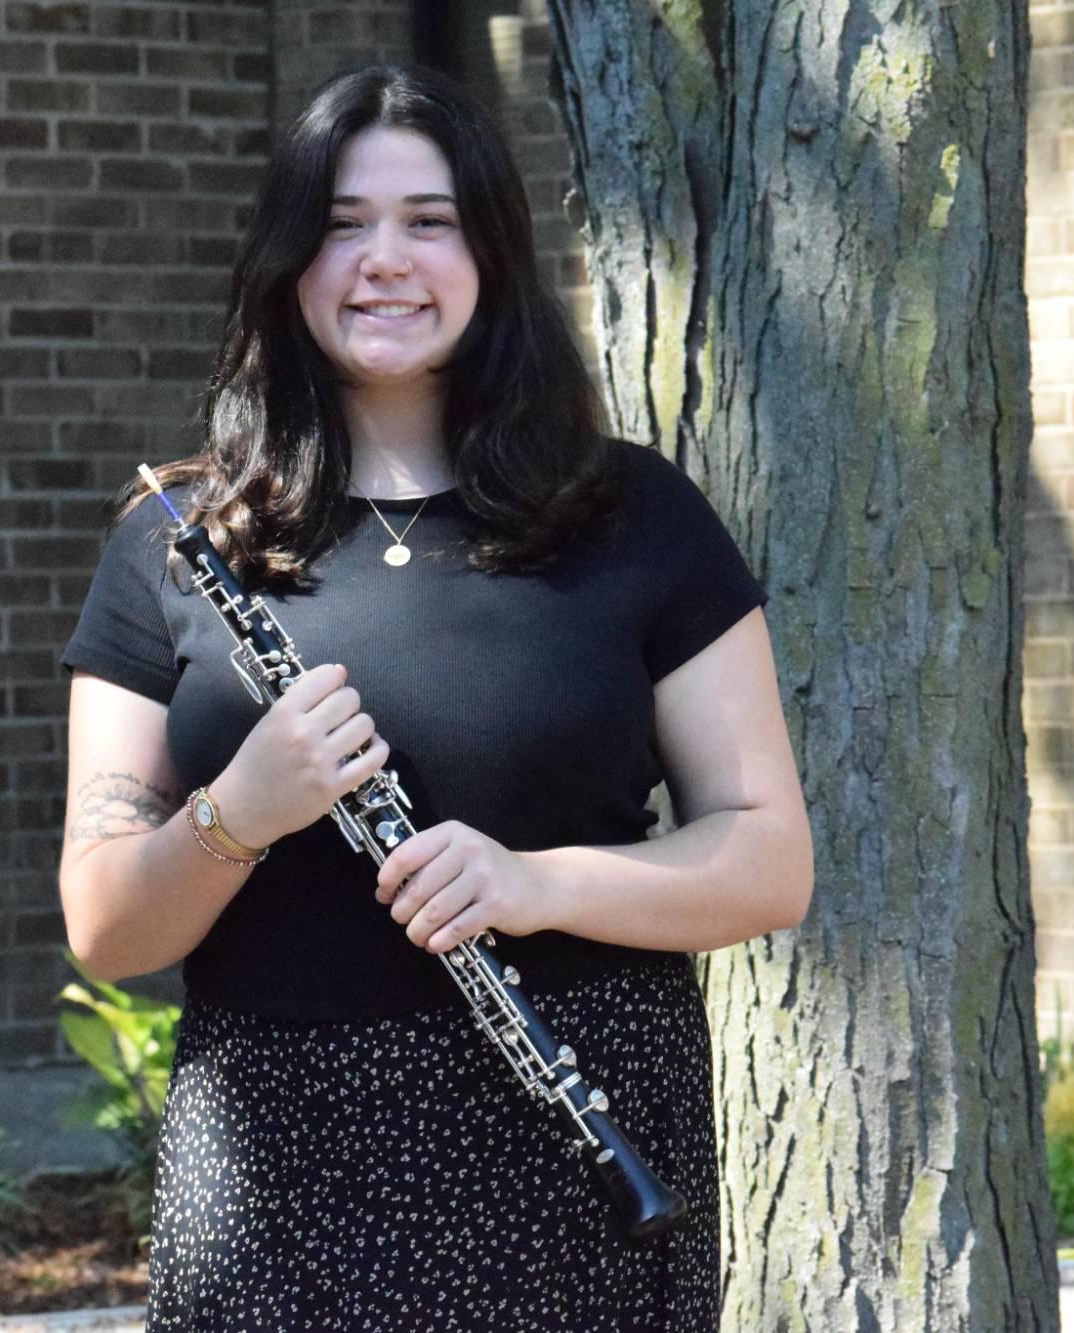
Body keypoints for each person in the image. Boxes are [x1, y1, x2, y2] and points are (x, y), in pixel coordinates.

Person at [57, 64, 812, 1333]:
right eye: (341, 224)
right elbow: (107, 928)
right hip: (275, 1166)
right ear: (287, 261)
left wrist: (537, 883)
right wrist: (241, 809)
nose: (381, 261)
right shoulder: (177, 541)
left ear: (492, 252)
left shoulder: (633, 516)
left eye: (428, 220)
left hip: (576, 1155)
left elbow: (767, 862)